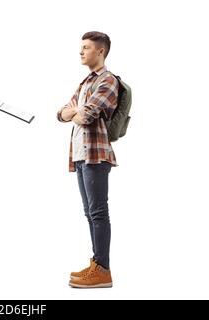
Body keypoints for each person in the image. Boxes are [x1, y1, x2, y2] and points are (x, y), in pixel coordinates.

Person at [56, 31, 119, 288]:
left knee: (98, 211)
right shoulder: (84, 83)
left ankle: (103, 270)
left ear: (100, 51)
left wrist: (75, 112)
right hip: (81, 155)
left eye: (86, 47)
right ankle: (96, 263)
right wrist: (72, 112)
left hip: (96, 155)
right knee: (89, 212)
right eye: (81, 47)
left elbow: (88, 115)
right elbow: (60, 113)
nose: (81, 52)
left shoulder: (108, 80)